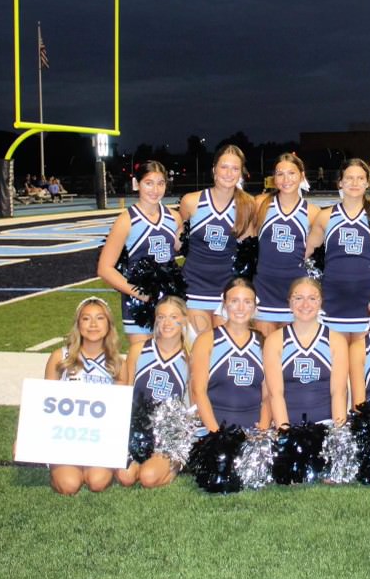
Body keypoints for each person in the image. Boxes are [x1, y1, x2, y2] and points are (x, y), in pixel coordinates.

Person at [306, 159, 370, 340]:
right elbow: (306, 253)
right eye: (349, 178)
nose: (355, 183)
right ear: (340, 182)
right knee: (336, 362)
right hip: (333, 298)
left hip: (366, 299)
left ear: (367, 182)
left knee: (362, 362)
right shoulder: (325, 216)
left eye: (360, 178)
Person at [44, 296, 124, 495]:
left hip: (98, 439)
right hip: (64, 438)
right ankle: (58, 471)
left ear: (109, 325)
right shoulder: (60, 357)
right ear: (78, 325)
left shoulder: (117, 363)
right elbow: (43, 402)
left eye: (100, 318)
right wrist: (28, 436)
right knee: (69, 485)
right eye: (86, 319)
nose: (93, 325)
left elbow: (121, 411)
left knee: (97, 482)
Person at [97, 161, 182, 342]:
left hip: (169, 300)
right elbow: (105, 268)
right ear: (137, 184)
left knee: (170, 360)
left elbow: (183, 252)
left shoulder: (174, 218)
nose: (155, 189)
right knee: (141, 360)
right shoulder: (126, 221)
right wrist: (138, 292)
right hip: (139, 302)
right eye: (148, 183)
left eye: (161, 183)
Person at [116, 296, 190, 488]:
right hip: (137, 428)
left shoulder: (191, 356)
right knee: (125, 477)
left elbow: (193, 403)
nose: (167, 323)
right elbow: (124, 392)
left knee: (148, 478)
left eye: (174, 317)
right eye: (161, 316)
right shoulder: (139, 349)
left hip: (169, 432)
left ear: (184, 319)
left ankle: (174, 465)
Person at [179, 144, 251, 336]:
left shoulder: (247, 205)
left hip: (228, 292)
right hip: (194, 288)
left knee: (223, 355)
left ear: (241, 173)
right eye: (224, 167)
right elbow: (179, 242)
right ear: (214, 170)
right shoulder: (191, 201)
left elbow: (248, 253)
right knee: (198, 352)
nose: (229, 173)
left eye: (235, 168)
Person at [251, 153, 321, 337]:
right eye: (280, 174)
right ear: (274, 178)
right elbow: (246, 242)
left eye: (291, 173)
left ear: (302, 175)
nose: (286, 179)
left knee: (291, 354)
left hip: (296, 291)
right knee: (264, 352)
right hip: (264, 288)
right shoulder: (261, 204)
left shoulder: (313, 212)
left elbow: (318, 252)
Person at [263, 277, 349, 426]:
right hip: (289, 427)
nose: (305, 304)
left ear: (321, 302)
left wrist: (338, 432)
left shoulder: (336, 340)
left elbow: (339, 393)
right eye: (298, 298)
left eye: (312, 298)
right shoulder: (274, 340)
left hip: (326, 425)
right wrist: (284, 432)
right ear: (289, 302)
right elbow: (275, 394)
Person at [189, 278, 270, 432]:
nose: (241, 308)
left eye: (247, 302)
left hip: (253, 430)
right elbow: (198, 391)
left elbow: (268, 396)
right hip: (212, 429)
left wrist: (263, 430)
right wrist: (216, 434)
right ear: (225, 304)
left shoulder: (264, 343)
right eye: (234, 301)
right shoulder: (207, 340)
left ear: (254, 306)